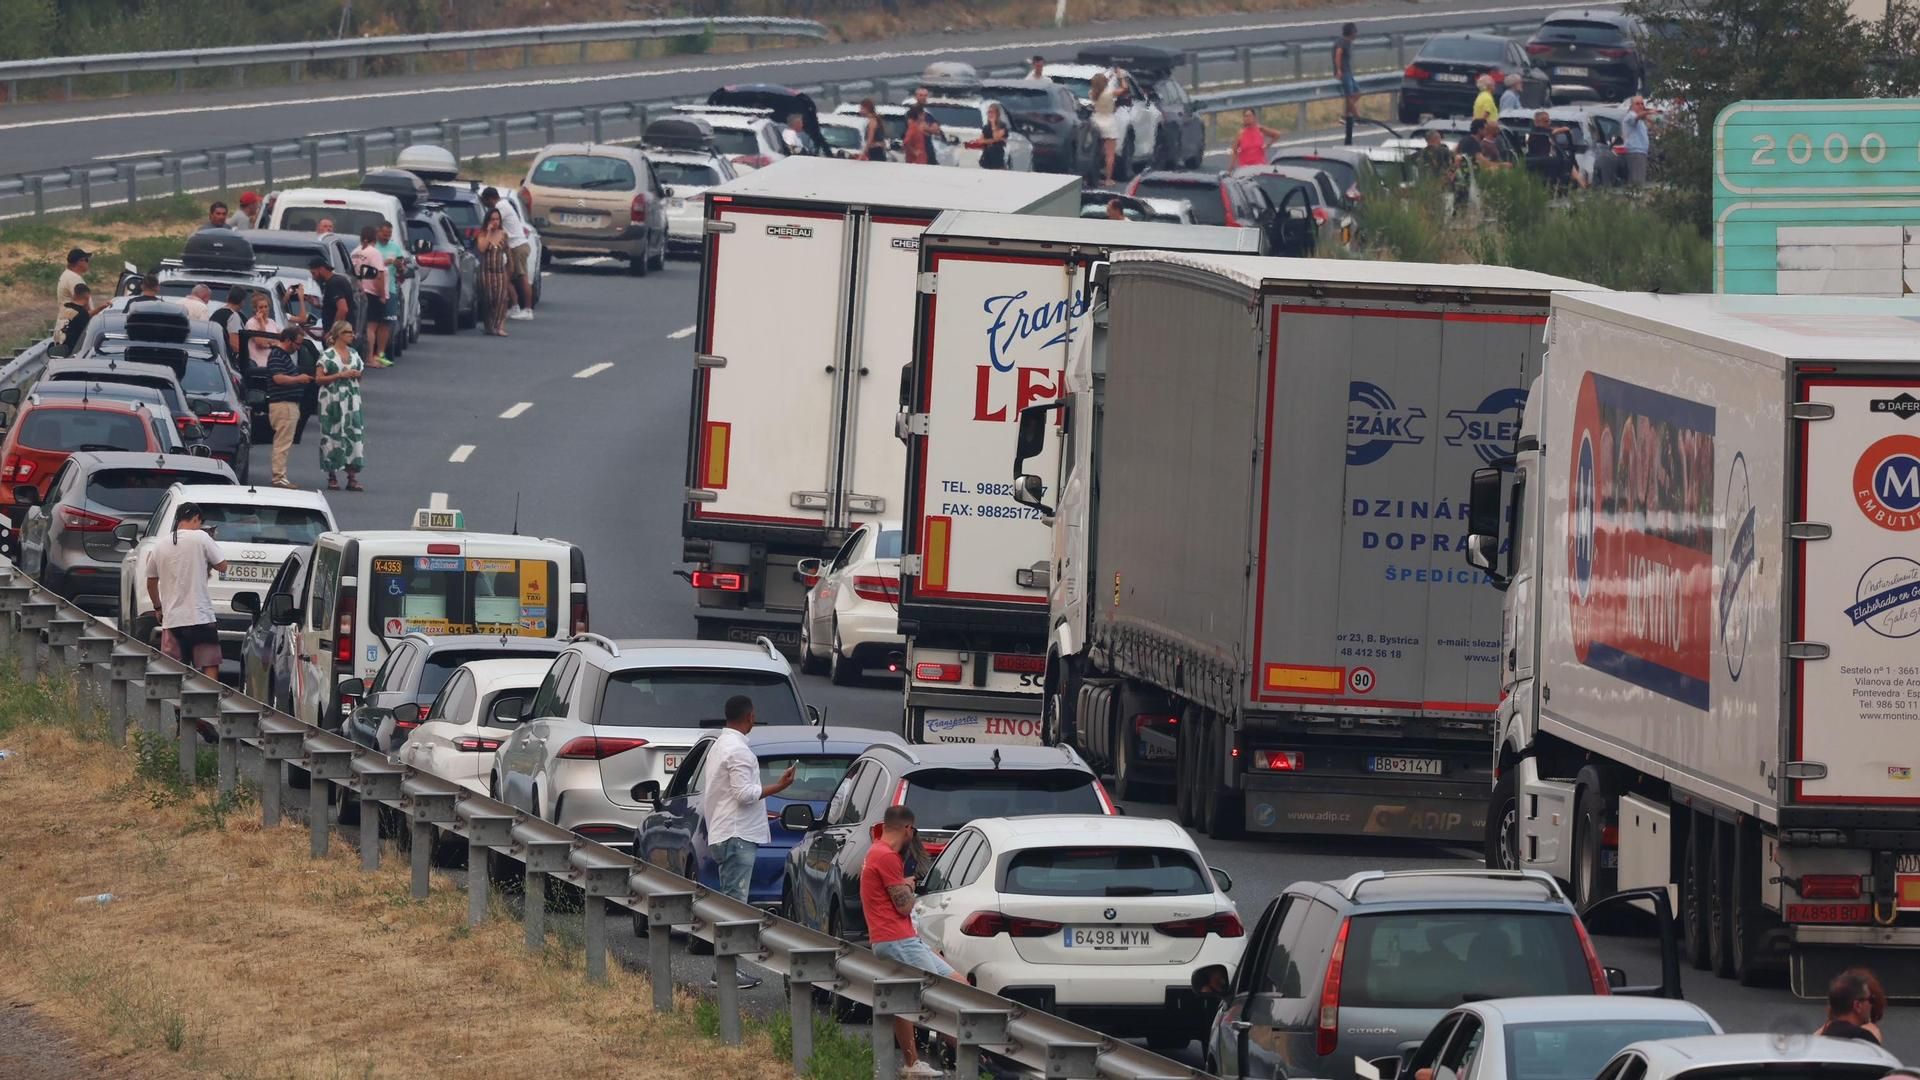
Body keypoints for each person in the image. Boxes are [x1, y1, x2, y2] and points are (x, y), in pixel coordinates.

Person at [699, 695, 797, 989]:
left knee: (732, 905)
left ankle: (727, 967)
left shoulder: (720, 745)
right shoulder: (738, 751)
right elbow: (743, 794)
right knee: (735, 909)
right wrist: (780, 786)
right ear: (750, 716)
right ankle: (725, 970)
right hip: (737, 835)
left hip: (725, 832)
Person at [859, 804, 951, 1077]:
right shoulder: (886, 856)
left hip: (899, 937)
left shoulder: (875, 852)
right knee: (943, 995)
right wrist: (909, 885)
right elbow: (903, 906)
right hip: (897, 938)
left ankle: (915, 1063)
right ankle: (970, 1060)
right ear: (908, 828)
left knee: (956, 986)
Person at [145, 502, 229, 680]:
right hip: (200, 617)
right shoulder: (201, 537)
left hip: (173, 620)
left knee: (174, 669)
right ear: (196, 519)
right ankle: (207, 703)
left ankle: (178, 707)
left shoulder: (160, 545)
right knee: (209, 664)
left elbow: (151, 582)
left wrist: (158, 607)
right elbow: (223, 566)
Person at [314, 320, 365, 493]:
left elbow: (359, 378)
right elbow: (319, 379)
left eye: (352, 332)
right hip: (331, 399)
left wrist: (356, 375)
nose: (352, 335)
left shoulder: (354, 354)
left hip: (351, 400)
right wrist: (340, 375)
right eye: (348, 332)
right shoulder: (327, 355)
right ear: (339, 335)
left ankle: (352, 477)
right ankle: (332, 475)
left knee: (352, 435)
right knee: (331, 434)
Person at [262, 325, 311, 489]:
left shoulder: (283, 356)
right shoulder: (277, 355)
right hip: (283, 404)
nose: (298, 348)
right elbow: (278, 378)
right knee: (282, 442)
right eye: (297, 344)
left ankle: (280, 474)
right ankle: (278, 476)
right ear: (288, 340)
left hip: (289, 404)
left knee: (285, 442)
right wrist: (298, 379)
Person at [479, 187, 534, 320]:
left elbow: (492, 224)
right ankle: (514, 306)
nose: (486, 206)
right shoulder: (503, 205)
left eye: (485, 202)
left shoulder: (501, 207)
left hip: (518, 246)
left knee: (522, 278)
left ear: (490, 199)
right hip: (513, 247)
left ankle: (527, 310)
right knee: (505, 277)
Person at [351, 225, 392, 367]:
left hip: (360, 291)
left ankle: (360, 356)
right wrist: (382, 295)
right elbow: (378, 275)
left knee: (360, 326)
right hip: (373, 292)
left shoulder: (355, 252)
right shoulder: (374, 253)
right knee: (371, 327)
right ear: (374, 237)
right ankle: (370, 358)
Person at [54, 248, 108, 345]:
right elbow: (84, 307)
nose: (88, 263)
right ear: (80, 262)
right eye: (86, 260)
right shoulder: (73, 279)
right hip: (75, 325)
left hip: (67, 324)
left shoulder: (67, 275)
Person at [1525, 110, 1587, 192]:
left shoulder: (1534, 132)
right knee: (1571, 167)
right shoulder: (1541, 132)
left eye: (1549, 121)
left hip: (1536, 162)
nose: (1549, 123)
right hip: (1545, 162)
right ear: (1537, 122)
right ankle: (1585, 189)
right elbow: (1564, 129)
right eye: (1545, 121)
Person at [475, 208, 513, 337]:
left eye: (497, 219)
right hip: (486, 273)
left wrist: (509, 272)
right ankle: (489, 324)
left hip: (500, 272)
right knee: (489, 299)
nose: (495, 222)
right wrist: (489, 233)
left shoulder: (504, 234)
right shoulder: (482, 234)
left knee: (502, 299)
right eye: (492, 219)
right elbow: (482, 249)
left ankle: (500, 326)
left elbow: (508, 254)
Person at [1817, 970, 1882, 1044]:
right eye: (1871, 999)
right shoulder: (1863, 1038)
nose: (1871, 1005)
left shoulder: (1823, 1037)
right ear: (1857, 1005)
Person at [375, 221, 408, 355]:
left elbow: (403, 270)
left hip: (390, 289)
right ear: (378, 232)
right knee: (372, 322)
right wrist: (385, 262)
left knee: (387, 322)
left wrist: (400, 266)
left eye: (389, 235)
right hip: (373, 289)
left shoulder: (395, 247)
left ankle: (382, 352)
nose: (386, 237)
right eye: (384, 234)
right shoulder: (372, 247)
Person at [1090, 71, 1120, 186]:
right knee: (1109, 154)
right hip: (1108, 123)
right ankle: (1108, 179)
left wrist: (1109, 76)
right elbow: (1124, 88)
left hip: (1096, 121)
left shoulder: (1092, 93)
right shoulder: (1109, 93)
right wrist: (1120, 77)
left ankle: (1095, 177)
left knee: (1095, 153)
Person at [54, 283, 98, 356]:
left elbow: (78, 317)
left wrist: (101, 308)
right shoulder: (82, 314)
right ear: (87, 297)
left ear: (74, 295)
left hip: (57, 350)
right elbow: (87, 336)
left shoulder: (65, 308)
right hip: (72, 353)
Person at [310, 257, 354, 330]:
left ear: (321, 269)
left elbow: (343, 309)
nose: (313, 277)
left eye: (314, 273)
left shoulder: (334, 283)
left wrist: (333, 332)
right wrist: (318, 305)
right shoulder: (329, 283)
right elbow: (333, 307)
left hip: (340, 334)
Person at [1334, 22, 1359, 144]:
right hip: (1344, 73)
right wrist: (1339, 70)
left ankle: (1346, 116)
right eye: (1355, 32)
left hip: (1349, 72)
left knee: (1357, 92)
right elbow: (1338, 54)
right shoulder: (1342, 42)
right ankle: (1357, 117)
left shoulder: (1348, 42)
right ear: (1351, 32)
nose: (1356, 34)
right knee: (1349, 96)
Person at [241, 291, 280, 368]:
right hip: (258, 366)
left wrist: (270, 343)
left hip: (273, 364)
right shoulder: (251, 323)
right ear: (255, 309)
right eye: (261, 307)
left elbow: (280, 341)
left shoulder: (272, 322)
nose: (264, 309)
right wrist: (262, 323)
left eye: (266, 306)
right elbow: (261, 343)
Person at [1622, 95, 1652, 185]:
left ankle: (1635, 196)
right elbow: (1636, 117)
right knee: (1637, 182)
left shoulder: (1640, 120)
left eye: (1642, 104)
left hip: (1641, 152)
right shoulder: (1630, 116)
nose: (1640, 106)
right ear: (1631, 106)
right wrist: (1648, 112)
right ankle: (1636, 198)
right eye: (1637, 104)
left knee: (1638, 180)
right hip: (1635, 152)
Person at [209, 286, 247, 358]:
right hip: (226, 358)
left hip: (212, 353)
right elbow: (234, 344)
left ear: (228, 297)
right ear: (242, 302)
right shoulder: (233, 316)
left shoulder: (216, 313)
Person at [977, 103, 1010, 170]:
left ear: (997, 114)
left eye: (992, 112)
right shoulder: (986, 127)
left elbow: (996, 136)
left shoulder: (1002, 126)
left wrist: (993, 124)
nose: (990, 114)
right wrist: (996, 140)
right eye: (988, 112)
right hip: (987, 156)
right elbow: (980, 141)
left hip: (998, 155)